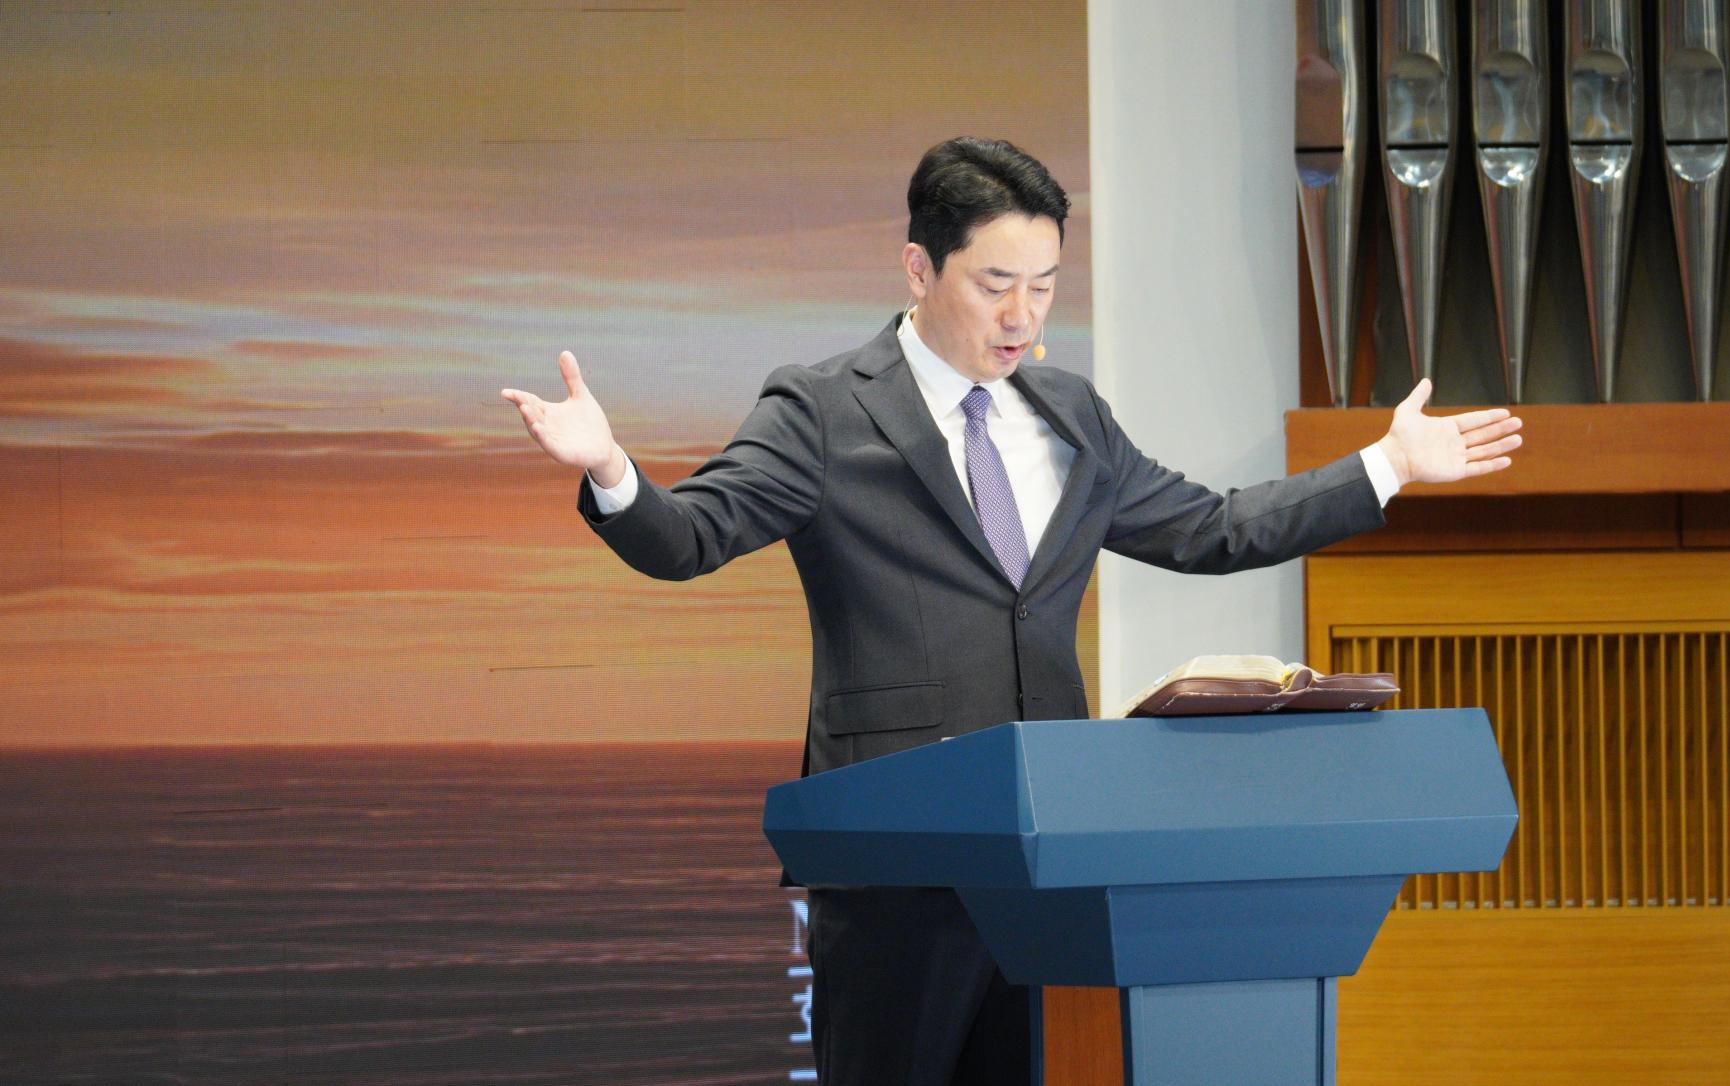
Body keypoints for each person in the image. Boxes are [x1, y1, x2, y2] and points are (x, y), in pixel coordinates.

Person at [501, 136, 1522, 1086]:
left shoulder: (1072, 416)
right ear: (918, 269)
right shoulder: (822, 410)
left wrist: (1386, 465)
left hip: (1052, 868)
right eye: (995, 285)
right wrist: (612, 469)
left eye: (1043, 286)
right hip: (899, 871)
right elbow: (690, 537)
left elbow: (1213, 529)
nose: (1023, 317)